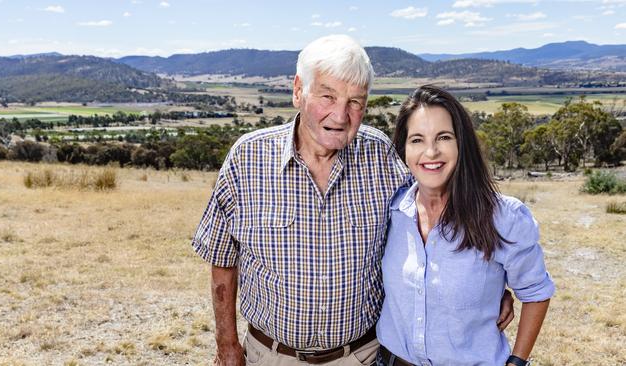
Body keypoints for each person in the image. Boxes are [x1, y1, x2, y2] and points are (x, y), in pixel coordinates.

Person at [192, 35, 514, 366]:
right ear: (298, 90)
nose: (341, 115)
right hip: (270, 355)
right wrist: (227, 344)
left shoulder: (382, 156)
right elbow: (222, 259)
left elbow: (437, 218)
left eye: (355, 102)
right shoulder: (247, 158)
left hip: (361, 356)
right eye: (327, 96)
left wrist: (485, 288)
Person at [376, 85, 555, 366]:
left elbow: (536, 292)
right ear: (404, 148)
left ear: (462, 143)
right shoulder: (392, 210)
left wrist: (517, 361)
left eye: (444, 137)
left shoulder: (502, 217)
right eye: (417, 140)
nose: (431, 151)